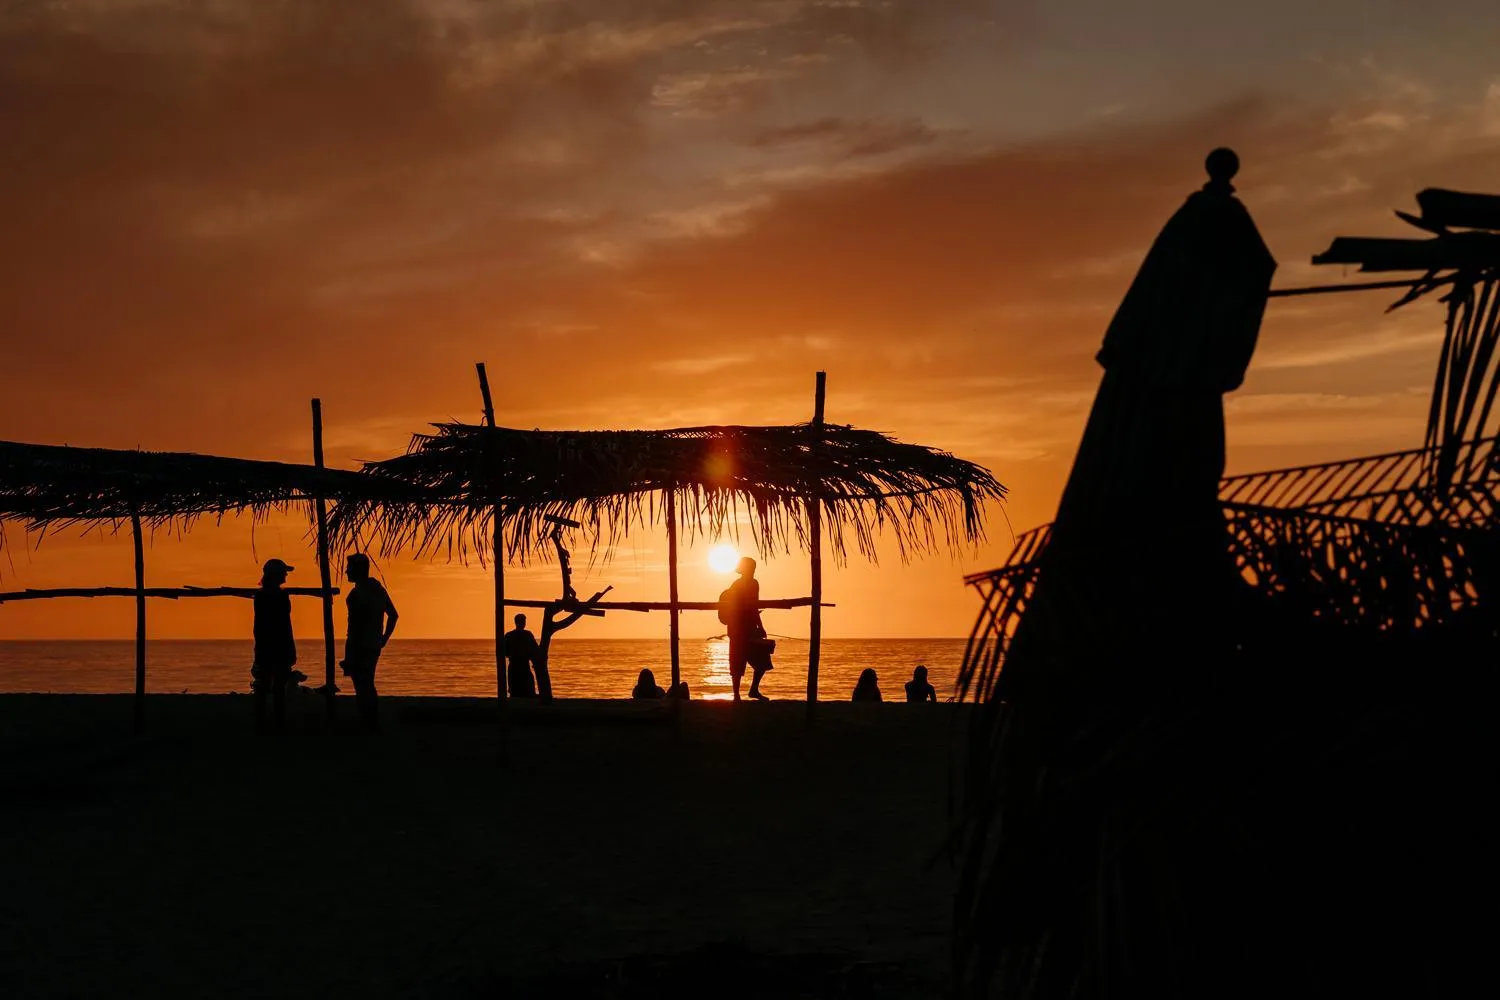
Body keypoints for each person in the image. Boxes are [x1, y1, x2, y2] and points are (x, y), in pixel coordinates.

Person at [340, 553, 398, 729]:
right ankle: (370, 719)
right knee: (367, 682)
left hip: (359, 644)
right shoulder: (378, 590)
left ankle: (367, 721)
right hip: (373, 643)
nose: (346, 572)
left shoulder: (358, 593)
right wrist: (383, 639)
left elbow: (355, 627)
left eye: (349, 568)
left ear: (357, 570)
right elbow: (393, 615)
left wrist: (349, 653)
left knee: (361, 684)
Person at [718, 555, 772, 701]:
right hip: (740, 630)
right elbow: (753, 607)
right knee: (741, 663)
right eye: (752, 568)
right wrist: (760, 626)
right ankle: (739, 694)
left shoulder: (745, 583)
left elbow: (753, 607)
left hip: (742, 630)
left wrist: (758, 625)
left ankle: (748, 692)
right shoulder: (747, 584)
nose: (753, 570)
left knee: (757, 661)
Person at [252, 558, 296, 731]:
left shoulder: (260, 596)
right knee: (277, 689)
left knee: (264, 687)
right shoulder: (280, 596)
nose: (286, 575)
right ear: (276, 575)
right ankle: (277, 723)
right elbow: (285, 625)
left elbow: (259, 626)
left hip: (266, 647)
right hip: (279, 647)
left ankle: (262, 723)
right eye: (283, 572)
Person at [504, 614, 539, 698]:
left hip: (518, 664)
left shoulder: (510, 635)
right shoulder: (526, 635)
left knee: (521, 689)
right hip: (519, 665)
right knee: (520, 689)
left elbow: (534, 650)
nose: (524, 623)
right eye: (523, 621)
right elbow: (534, 650)